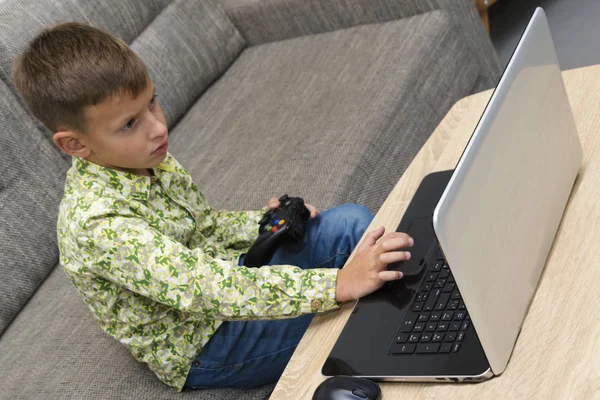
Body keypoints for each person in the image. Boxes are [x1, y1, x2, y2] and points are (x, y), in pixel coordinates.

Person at [11, 22, 413, 391]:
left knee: (353, 223)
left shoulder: (147, 157)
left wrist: (267, 223)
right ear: (75, 145)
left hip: (228, 275)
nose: (157, 126)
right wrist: (336, 284)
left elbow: (204, 227)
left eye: (153, 102)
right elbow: (206, 290)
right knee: (350, 312)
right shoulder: (98, 224)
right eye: (129, 124)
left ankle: (439, 297)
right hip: (206, 344)